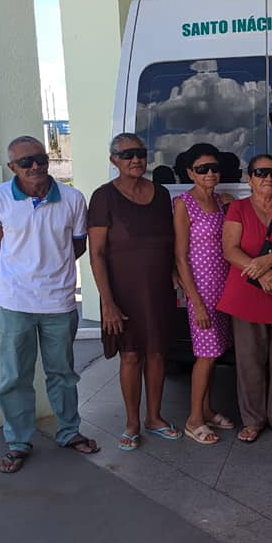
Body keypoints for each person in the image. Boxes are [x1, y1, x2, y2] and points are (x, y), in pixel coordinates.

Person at [0, 136, 98, 473]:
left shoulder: (73, 198)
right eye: (26, 162)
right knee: (15, 376)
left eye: (41, 159)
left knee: (62, 372)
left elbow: (78, 246)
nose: (36, 167)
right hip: (15, 302)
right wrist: (24, 274)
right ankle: (18, 442)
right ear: (12, 168)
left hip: (59, 301)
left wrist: (53, 271)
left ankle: (69, 431)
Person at [88, 133, 179, 451]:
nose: (135, 159)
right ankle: (132, 423)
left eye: (140, 153)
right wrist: (107, 303)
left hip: (158, 290)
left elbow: (169, 242)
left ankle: (154, 418)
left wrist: (174, 278)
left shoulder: (162, 193)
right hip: (122, 293)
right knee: (130, 355)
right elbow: (96, 253)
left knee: (156, 353)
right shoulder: (103, 197)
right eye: (127, 155)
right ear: (113, 160)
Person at [218, 154, 272, 443]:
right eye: (260, 173)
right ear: (249, 178)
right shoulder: (239, 209)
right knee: (249, 361)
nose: (267, 178)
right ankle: (253, 421)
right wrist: (261, 273)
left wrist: (266, 263)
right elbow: (230, 250)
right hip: (247, 293)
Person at [173, 143, 234, 445]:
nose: (210, 173)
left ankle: (207, 410)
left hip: (222, 287)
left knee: (215, 353)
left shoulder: (223, 202)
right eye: (202, 169)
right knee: (205, 357)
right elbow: (181, 256)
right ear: (189, 172)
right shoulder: (185, 204)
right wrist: (194, 300)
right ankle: (193, 419)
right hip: (201, 290)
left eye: (214, 168)